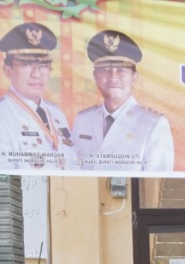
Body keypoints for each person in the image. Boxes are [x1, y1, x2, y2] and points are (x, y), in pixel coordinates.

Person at [0, 21, 77, 171]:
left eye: (43, 66)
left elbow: (73, 164)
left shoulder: (57, 113)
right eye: (26, 65)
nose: (37, 74)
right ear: (7, 69)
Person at [72, 30, 174, 172]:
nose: (113, 77)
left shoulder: (154, 124)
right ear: (95, 76)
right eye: (105, 69)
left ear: (134, 77)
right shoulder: (83, 119)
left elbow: (157, 182)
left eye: (121, 70)